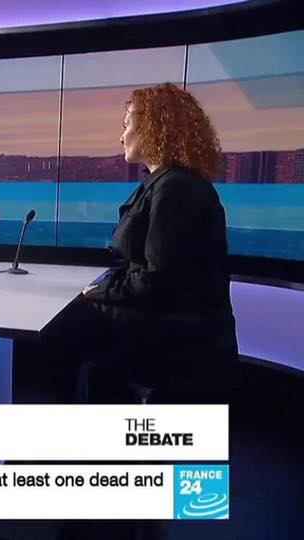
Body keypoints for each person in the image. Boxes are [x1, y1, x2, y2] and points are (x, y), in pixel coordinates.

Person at [45, 83, 238, 399]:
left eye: (127, 126)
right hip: (169, 324)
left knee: (64, 324)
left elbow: (158, 281)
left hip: (179, 338)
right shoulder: (165, 183)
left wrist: (98, 291)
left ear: (152, 129)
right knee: (74, 315)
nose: (121, 137)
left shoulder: (175, 189)